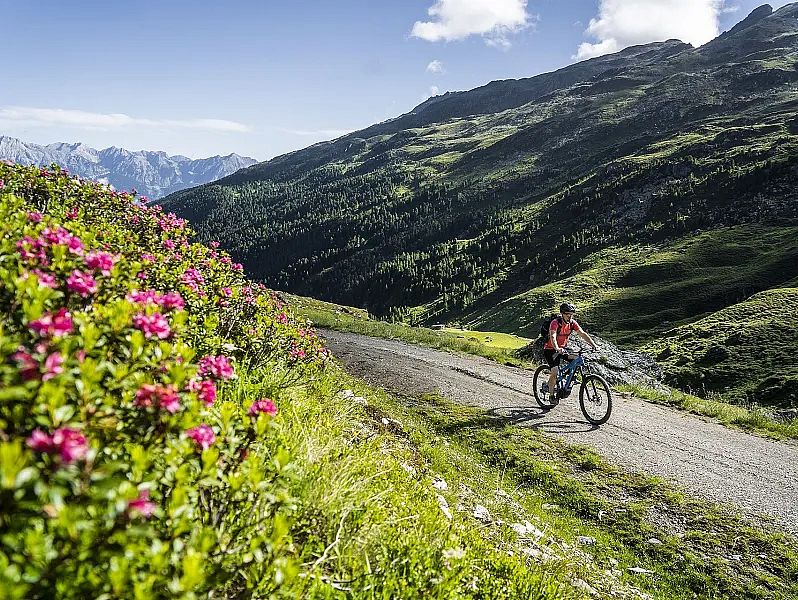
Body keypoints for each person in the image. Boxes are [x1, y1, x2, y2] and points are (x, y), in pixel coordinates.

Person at [542, 303, 597, 398]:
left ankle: (568, 379)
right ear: (562, 314)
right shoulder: (555, 323)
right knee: (554, 372)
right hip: (551, 349)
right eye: (567, 313)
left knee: (577, 359)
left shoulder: (572, 323)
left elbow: (582, 333)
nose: (569, 316)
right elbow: (553, 336)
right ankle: (550, 394)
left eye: (571, 314)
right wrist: (557, 348)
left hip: (563, 349)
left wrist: (593, 345)